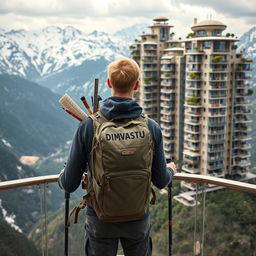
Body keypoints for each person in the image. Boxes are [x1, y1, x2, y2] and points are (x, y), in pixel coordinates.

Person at [58, 57, 177, 256]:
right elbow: (161, 180)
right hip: (137, 219)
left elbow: (69, 184)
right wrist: (171, 170)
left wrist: (63, 174)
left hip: (100, 219)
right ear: (137, 85)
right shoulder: (151, 127)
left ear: (109, 83)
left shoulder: (89, 126)